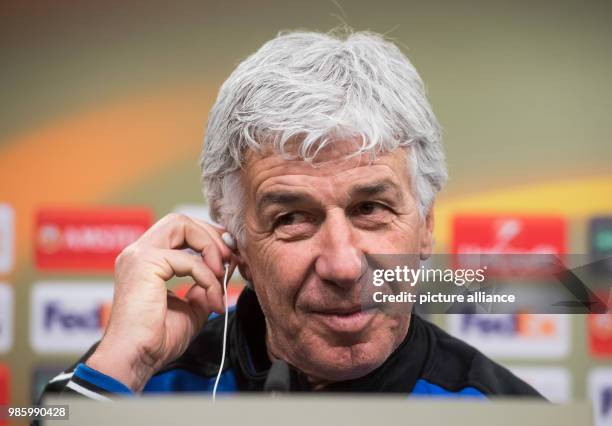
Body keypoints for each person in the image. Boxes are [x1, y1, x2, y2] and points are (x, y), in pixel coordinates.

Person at [41, 30, 541, 399]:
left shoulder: (506, 407)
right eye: (292, 219)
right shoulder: (134, 380)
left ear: (426, 226)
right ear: (236, 244)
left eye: (371, 209)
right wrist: (128, 360)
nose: (343, 266)